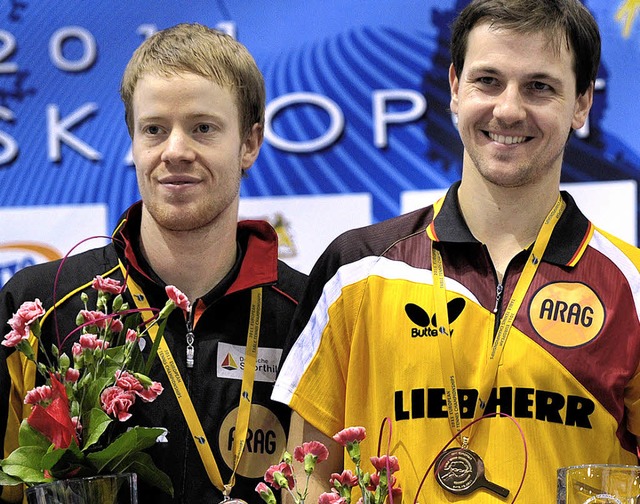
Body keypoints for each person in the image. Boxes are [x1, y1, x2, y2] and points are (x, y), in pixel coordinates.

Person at [272, 0, 640, 501]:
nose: (508, 109)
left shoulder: (632, 285)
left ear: (581, 104)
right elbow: (304, 478)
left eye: (539, 86)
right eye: (487, 80)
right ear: (454, 87)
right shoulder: (356, 269)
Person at [0, 23, 306, 503]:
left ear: (249, 144)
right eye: (154, 129)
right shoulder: (42, 308)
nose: (176, 151)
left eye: (203, 128)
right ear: (133, 140)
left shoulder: (306, 315)